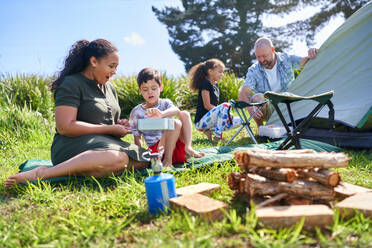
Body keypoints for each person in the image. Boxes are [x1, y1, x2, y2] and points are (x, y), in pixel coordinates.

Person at [4, 39, 150, 188]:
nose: (114, 72)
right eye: (111, 66)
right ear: (93, 61)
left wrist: (119, 126)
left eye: (116, 67)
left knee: (145, 158)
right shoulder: (71, 83)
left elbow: (110, 122)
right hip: (72, 144)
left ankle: (90, 168)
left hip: (105, 144)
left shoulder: (110, 88)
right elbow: (65, 127)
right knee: (118, 159)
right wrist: (109, 129)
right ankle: (43, 173)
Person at [129, 68, 204, 168]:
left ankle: (188, 148)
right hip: (158, 153)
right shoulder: (136, 112)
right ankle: (167, 161)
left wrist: (161, 114)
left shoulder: (165, 103)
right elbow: (137, 137)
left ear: (161, 88)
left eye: (154, 88)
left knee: (184, 114)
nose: (150, 92)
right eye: (145, 89)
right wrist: (141, 159)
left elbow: (176, 110)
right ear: (140, 90)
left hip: (176, 149)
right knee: (175, 123)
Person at [238, 37, 318, 127]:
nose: (261, 60)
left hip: (288, 104)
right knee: (257, 98)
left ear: (273, 50)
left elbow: (304, 61)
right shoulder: (254, 70)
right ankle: (261, 129)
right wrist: (249, 107)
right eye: (258, 57)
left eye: (264, 56)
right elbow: (243, 93)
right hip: (269, 108)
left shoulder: (286, 59)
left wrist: (313, 52)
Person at [189, 58, 241, 142]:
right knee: (226, 105)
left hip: (211, 121)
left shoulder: (215, 85)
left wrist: (226, 113)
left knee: (242, 120)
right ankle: (217, 137)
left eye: (223, 72)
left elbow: (216, 108)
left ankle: (210, 131)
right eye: (219, 72)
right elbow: (207, 105)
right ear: (210, 71)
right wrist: (226, 111)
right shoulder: (205, 84)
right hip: (201, 122)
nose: (222, 74)